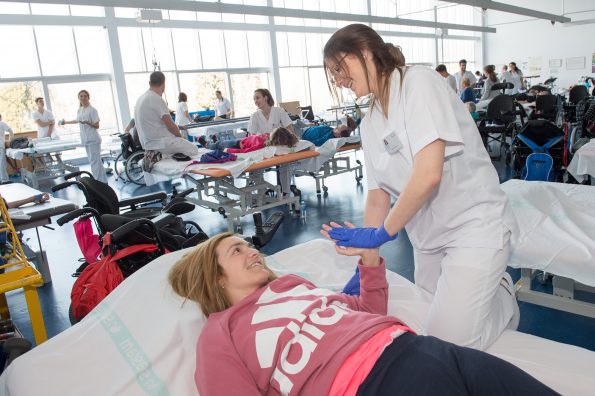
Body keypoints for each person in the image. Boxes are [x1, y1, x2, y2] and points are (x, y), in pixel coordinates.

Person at [167, 232, 556, 396]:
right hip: (371, 386)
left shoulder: (291, 285)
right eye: (237, 251)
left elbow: (361, 312)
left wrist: (370, 263)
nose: (253, 251)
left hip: (420, 349)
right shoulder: (221, 332)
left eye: (249, 245)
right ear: (214, 279)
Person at [322, 23, 518, 350]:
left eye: (340, 69)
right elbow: (377, 195)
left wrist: (382, 233)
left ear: (365, 52)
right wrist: (367, 262)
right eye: (333, 75)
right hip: (427, 238)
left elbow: (429, 174)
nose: (339, 81)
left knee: (450, 343)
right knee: (426, 326)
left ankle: (505, 295)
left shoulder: (418, 82)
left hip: (474, 225)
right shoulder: (370, 121)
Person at [134, 71, 198, 169]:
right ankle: (161, 155)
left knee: (181, 147)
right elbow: (171, 125)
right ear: (163, 84)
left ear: (149, 83)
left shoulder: (140, 99)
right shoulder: (156, 99)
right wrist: (180, 137)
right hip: (162, 143)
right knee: (194, 149)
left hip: (147, 144)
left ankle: (161, 155)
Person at [60, 90, 107, 183]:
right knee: (95, 161)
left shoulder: (92, 110)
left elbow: (97, 125)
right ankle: (103, 181)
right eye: (81, 96)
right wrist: (65, 122)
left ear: (88, 98)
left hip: (93, 139)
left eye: (85, 96)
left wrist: (87, 122)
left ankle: (97, 182)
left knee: (94, 162)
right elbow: (77, 120)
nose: (83, 98)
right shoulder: (80, 110)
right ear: (79, 98)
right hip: (86, 139)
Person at [0, 115, 14, 183]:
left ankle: (2, 179)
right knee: (2, 163)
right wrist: (10, 140)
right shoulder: (2, 123)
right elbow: (10, 131)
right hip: (0, 146)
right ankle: (4, 180)